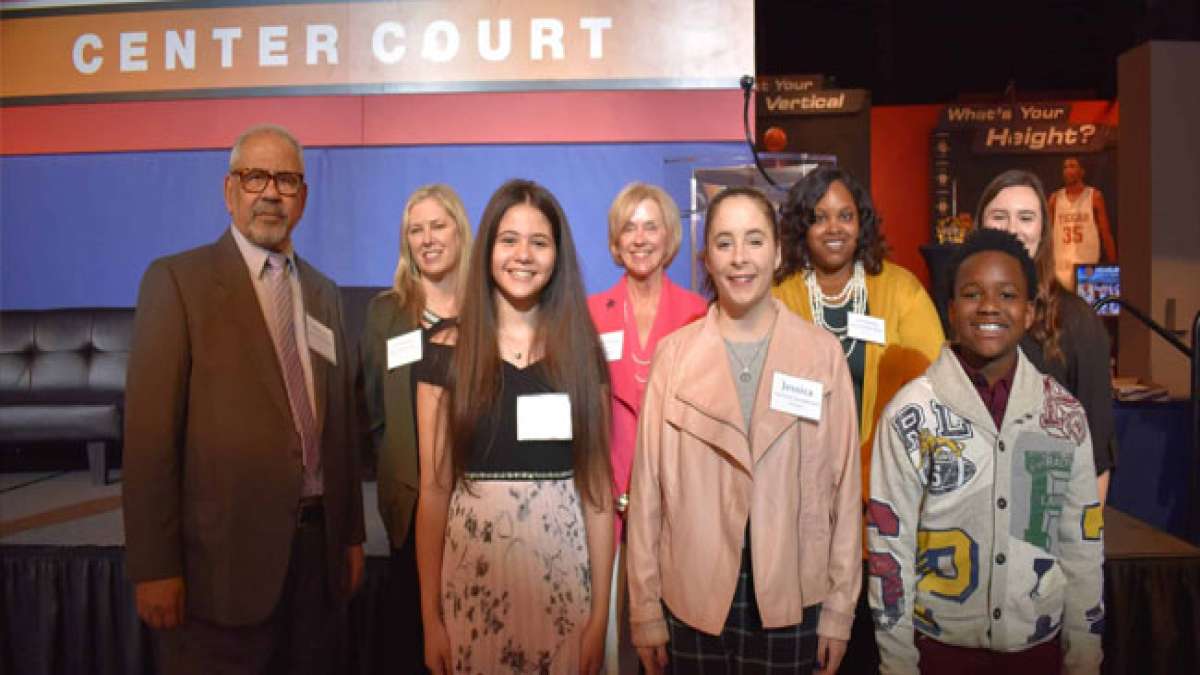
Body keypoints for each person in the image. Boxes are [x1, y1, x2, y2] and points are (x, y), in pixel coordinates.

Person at [123, 124, 365, 675]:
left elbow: (340, 432)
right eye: (256, 177)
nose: (271, 192)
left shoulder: (325, 293)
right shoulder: (177, 282)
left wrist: (350, 536)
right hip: (220, 574)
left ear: (303, 197)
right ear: (229, 190)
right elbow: (148, 438)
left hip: (315, 564)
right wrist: (153, 566)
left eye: (286, 179)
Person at [627, 186, 861, 675]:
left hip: (792, 595)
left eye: (754, 241)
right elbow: (647, 493)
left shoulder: (821, 356)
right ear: (706, 258)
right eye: (724, 242)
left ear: (777, 252)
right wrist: (644, 608)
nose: (740, 258)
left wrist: (840, 609)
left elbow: (843, 491)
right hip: (692, 600)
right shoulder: (674, 357)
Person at [869, 228, 1104, 674]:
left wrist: (1085, 658)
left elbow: (1082, 549)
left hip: (1040, 653)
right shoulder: (910, 415)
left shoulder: (1064, 416)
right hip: (939, 652)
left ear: (1030, 311)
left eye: (1008, 294)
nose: (990, 306)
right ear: (952, 311)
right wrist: (898, 665)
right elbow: (890, 550)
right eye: (972, 294)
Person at [414, 179, 614, 674]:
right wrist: (430, 618)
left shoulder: (583, 354)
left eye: (539, 242)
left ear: (557, 256)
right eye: (509, 240)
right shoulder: (442, 352)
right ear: (487, 248)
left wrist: (599, 620)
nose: (523, 255)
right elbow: (434, 492)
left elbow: (598, 494)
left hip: (564, 585)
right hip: (474, 584)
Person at [773, 166, 944, 674]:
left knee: (875, 638)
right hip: (798, 496)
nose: (833, 228)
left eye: (845, 215)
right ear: (801, 226)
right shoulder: (779, 294)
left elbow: (935, 385)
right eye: (819, 217)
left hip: (884, 495)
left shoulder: (899, 290)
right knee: (806, 636)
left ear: (862, 223)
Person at [587, 183, 707, 675]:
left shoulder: (699, 316)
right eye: (628, 227)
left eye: (650, 225)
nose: (639, 238)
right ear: (615, 241)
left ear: (669, 237)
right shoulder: (592, 314)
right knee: (614, 648)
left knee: (673, 649)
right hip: (607, 508)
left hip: (676, 509)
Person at [358, 184, 471, 674]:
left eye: (437, 226)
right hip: (410, 508)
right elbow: (375, 414)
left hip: (477, 508)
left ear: (459, 231)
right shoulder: (386, 313)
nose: (427, 239)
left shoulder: (491, 309)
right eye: (415, 230)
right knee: (417, 646)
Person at [977, 169, 1116, 503]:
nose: (1012, 229)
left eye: (1026, 217)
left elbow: (1097, 454)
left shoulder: (1077, 321)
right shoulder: (958, 316)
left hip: (1046, 519)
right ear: (980, 227)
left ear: (1043, 231)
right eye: (999, 216)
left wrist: (1082, 548)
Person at [1047, 157, 1117, 290]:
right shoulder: (1055, 199)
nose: (1067, 170)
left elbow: (1106, 233)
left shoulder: (1094, 196)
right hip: (1061, 269)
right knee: (1061, 310)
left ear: (1082, 171)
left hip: (1087, 267)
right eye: (1065, 167)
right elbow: (1047, 237)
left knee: (1087, 309)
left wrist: (1113, 267)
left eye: (1072, 166)